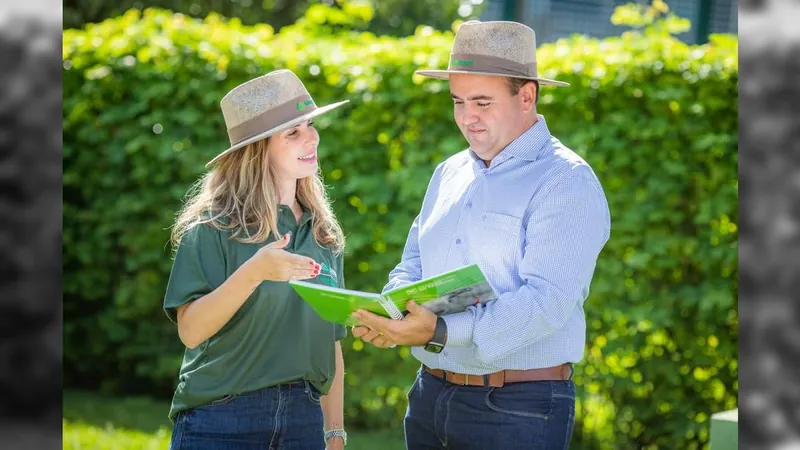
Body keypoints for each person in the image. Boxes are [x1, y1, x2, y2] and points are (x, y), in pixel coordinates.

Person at [352, 21, 611, 449]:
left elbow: (548, 301)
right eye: (457, 101)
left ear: (526, 95)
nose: (466, 117)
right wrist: (394, 309)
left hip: (517, 406)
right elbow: (414, 260)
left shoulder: (566, 181)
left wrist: (438, 332)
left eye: (482, 102)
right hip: (429, 393)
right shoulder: (449, 171)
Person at [163, 69, 350, 450]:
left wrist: (333, 432)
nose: (311, 137)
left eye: (310, 124)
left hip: (304, 419)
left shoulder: (322, 232)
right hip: (221, 418)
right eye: (292, 132)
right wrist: (254, 273)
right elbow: (191, 331)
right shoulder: (214, 226)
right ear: (257, 148)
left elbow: (330, 342)